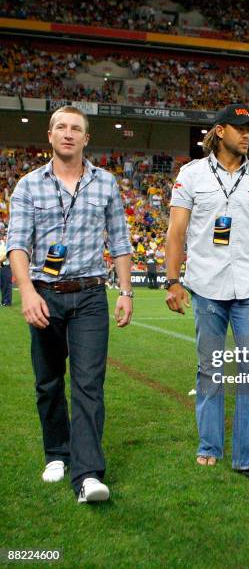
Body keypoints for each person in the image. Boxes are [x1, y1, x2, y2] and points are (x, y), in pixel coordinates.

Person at [7, 106, 133, 504]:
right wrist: (27, 291)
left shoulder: (106, 183)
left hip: (91, 295)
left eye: (75, 128)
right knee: (47, 383)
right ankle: (56, 453)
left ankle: (88, 473)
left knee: (89, 386)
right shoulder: (28, 185)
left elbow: (120, 240)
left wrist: (126, 292)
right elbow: (17, 244)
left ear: (85, 138)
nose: (68, 133)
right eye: (61, 127)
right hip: (44, 294)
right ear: (49, 135)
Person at [165, 103, 249, 478]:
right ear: (219, 131)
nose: (247, 134)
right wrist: (172, 281)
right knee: (210, 371)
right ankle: (209, 446)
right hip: (206, 286)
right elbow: (176, 231)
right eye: (238, 128)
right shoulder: (191, 174)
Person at [0, 228, 13, 306]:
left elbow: (5, 256)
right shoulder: (1, 244)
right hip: (1, 267)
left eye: (6, 236)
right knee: (2, 285)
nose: (5, 238)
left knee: (7, 285)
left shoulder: (10, 246)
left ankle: (7, 302)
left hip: (6, 267)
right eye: (4, 236)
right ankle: (3, 301)